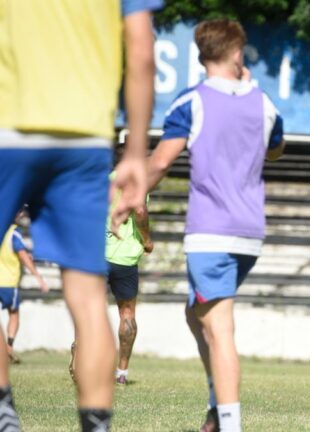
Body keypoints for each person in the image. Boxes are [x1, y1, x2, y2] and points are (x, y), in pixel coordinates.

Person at [0, 0, 160, 430]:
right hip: (83, 137)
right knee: (88, 300)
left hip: (7, 128)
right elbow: (142, 52)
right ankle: (96, 424)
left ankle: (4, 410)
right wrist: (135, 151)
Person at [146, 18, 285, 432]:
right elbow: (275, 150)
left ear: (202, 53)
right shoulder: (263, 103)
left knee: (219, 327)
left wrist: (125, 198)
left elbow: (160, 161)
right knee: (197, 313)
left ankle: (228, 422)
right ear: (238, 53)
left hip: (210, 233)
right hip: (250, 234)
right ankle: (215, 404)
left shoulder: (192, 101)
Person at [105, 171, 154, 385]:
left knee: (89, 311)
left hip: (96, 253)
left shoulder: (102, 176)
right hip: (124, 259)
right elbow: (140, 210)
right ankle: (121, 373)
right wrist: (147, 240)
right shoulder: (137, 178)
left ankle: (83, 363)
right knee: (127, 314)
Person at [0, 212, 49, 364]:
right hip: (8, 282)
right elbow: (22, 255)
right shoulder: (14, 232)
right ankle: (8, 347)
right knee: (14, 315)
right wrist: (38, 277)